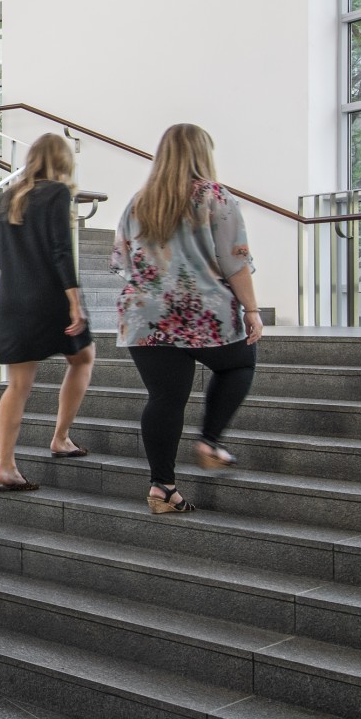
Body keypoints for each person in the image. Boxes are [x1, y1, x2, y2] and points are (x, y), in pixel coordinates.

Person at [112, 124, 262, 515]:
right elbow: (235, 261)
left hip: (145, 314)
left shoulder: (139, 201)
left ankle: (162, 488)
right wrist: (251, 309)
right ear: (201, 153)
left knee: (165, 398)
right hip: (203, 311)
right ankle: (209, 442)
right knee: (240, 363)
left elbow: (123, 261)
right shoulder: (214, 195)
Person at [0, 133, 94, 492]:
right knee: (83, 358)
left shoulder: (8, 196)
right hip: (49, 297)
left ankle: (6, 466)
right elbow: (61, 251)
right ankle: (60, 437)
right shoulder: (57, 192)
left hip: (12, 299)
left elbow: (0, 254)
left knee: (18, 385)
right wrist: (74, 301)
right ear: (62, 160)